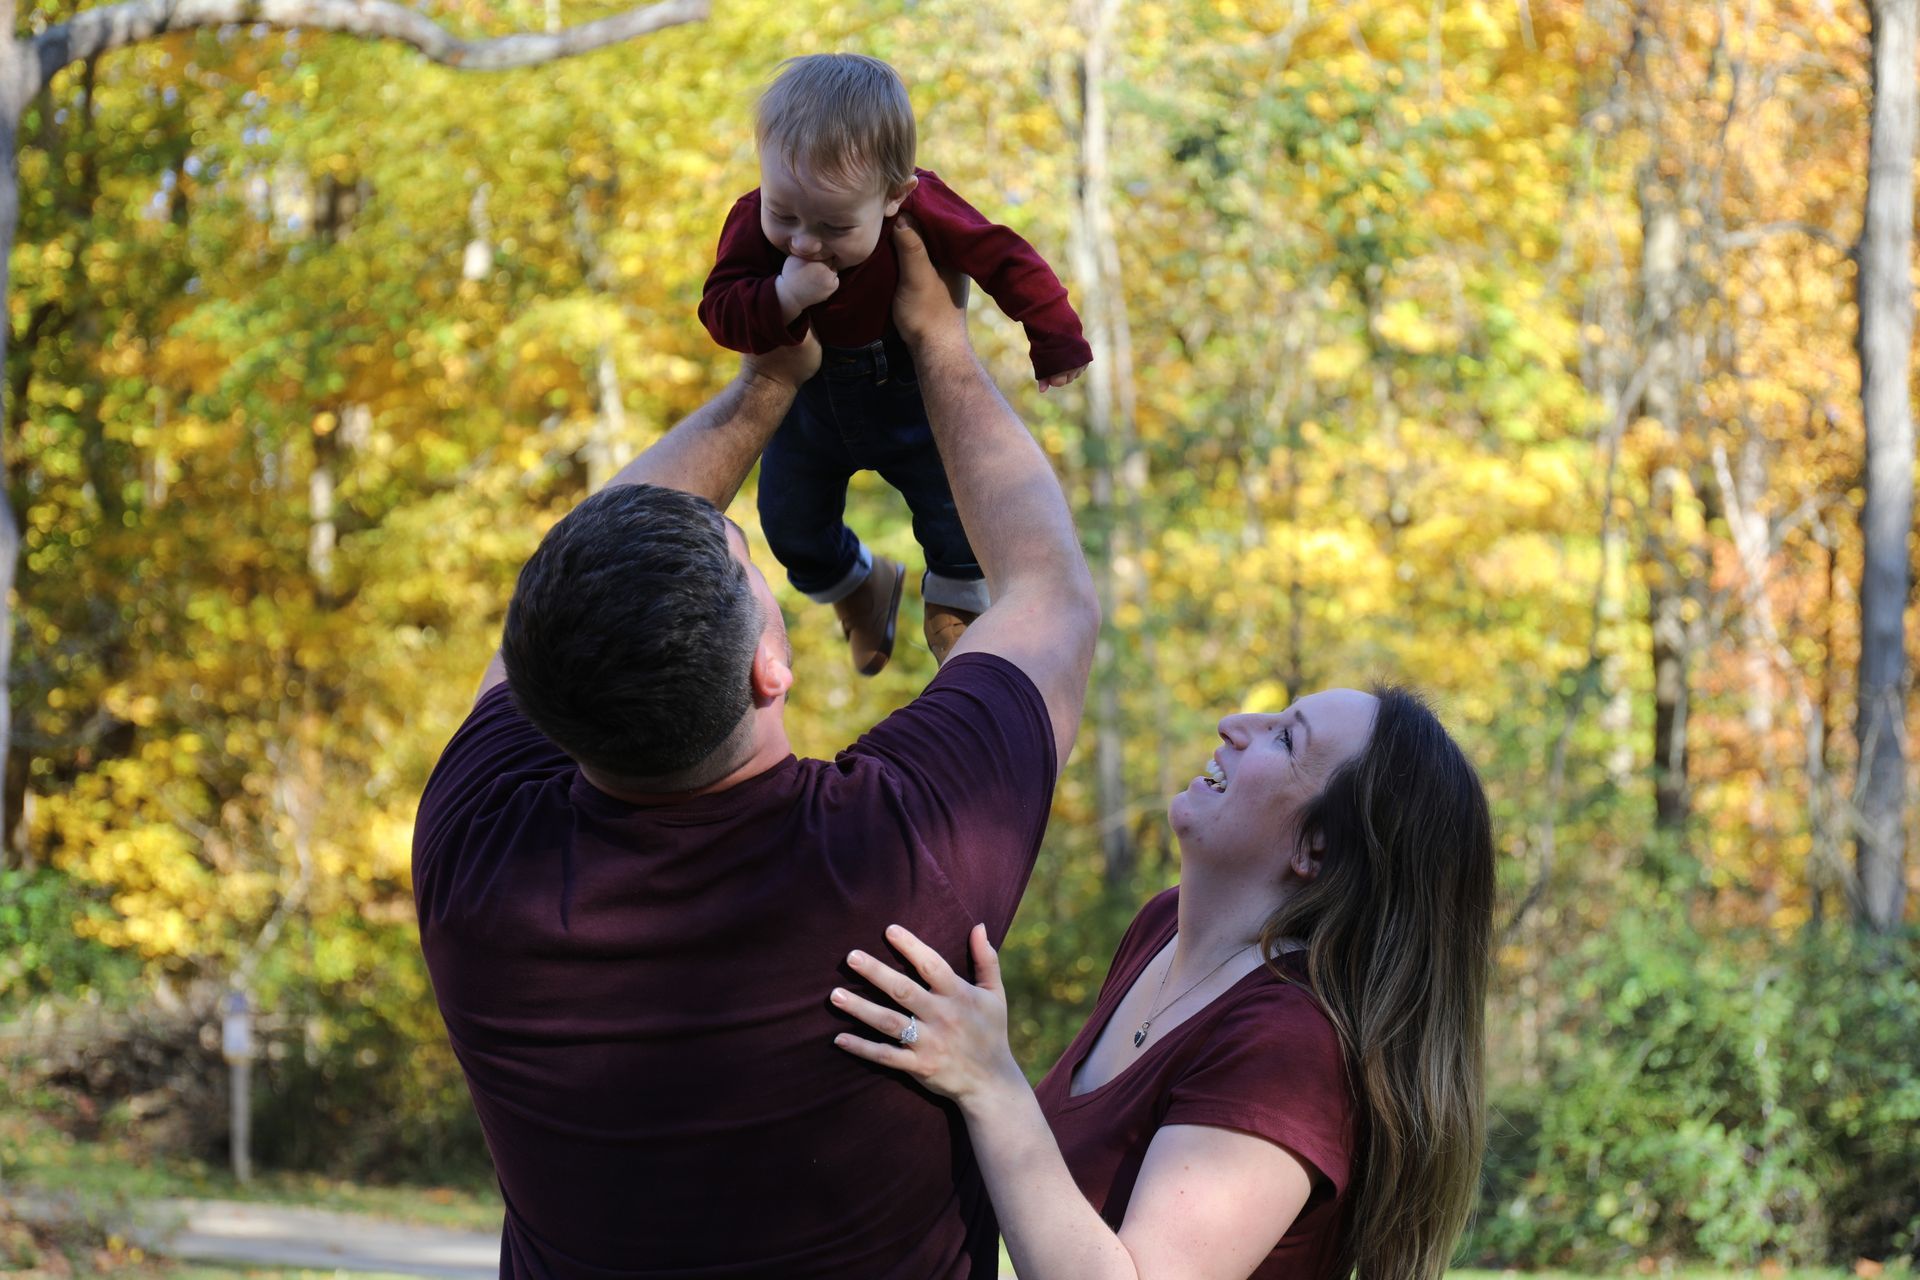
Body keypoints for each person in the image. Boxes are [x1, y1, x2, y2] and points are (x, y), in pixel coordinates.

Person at [412, 220, 1098, 1278]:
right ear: (769, 668)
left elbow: (548, 608)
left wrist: (762, 389)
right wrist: (940, 342)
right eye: (759, 580)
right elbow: (1048, 590)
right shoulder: (900, 850)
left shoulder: (475, 854)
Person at [830, 686, 1496, 1280]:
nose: (1235, 723)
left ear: (1314, 846)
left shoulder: (1292, 1048)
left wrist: (990, 1082)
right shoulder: (1160, 932)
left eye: (1285, 737)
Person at [699, 53, 1092, 676]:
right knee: (788, 521)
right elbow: (718, 310)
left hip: (905, 389)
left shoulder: (924, 204)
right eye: (785, 215)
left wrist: (1056, 337)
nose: (803, 241)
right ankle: (857, 584)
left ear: (892, 195)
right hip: (810, 402)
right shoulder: (753, 220)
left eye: (832, 224)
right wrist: (781, 297)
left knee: (954, 511)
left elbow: (1003, 256)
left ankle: (952, 607)